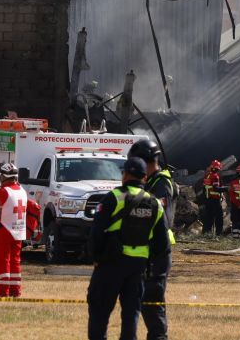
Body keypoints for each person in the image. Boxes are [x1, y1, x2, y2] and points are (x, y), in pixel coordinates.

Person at [87, 157, 170, 340]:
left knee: (99, 311)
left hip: (110, 264)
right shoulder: (155, 203)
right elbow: (162, 244)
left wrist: (95, 257)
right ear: (145, 178)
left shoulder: (114, 198)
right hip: (138, 267)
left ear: (124, 175)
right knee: (131, 314)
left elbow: (97, 232)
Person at [128, 139, 176, 340]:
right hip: (144, 247)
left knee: (153, 298)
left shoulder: (162, 183)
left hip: (158, 248)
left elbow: (155, 213)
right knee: (143, 297)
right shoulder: (151, 182)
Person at [0, 163, 40, 297]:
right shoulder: (21, 190)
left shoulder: (2, 192)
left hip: (4, 230)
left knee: (2, 261)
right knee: (15, 261)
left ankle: (3, 291)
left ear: (3, 176)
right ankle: (15, 290)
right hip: (18, 231)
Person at [201, 160, 225, 236]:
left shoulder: (207, 176)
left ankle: (206, 233)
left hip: (208, 200)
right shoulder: (215, 176)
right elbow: (216, 188)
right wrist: (227, 189)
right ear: (218, 168)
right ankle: (219, 234)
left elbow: (204, 189)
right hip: (215, 200)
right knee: (219, 218)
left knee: (209, 218)